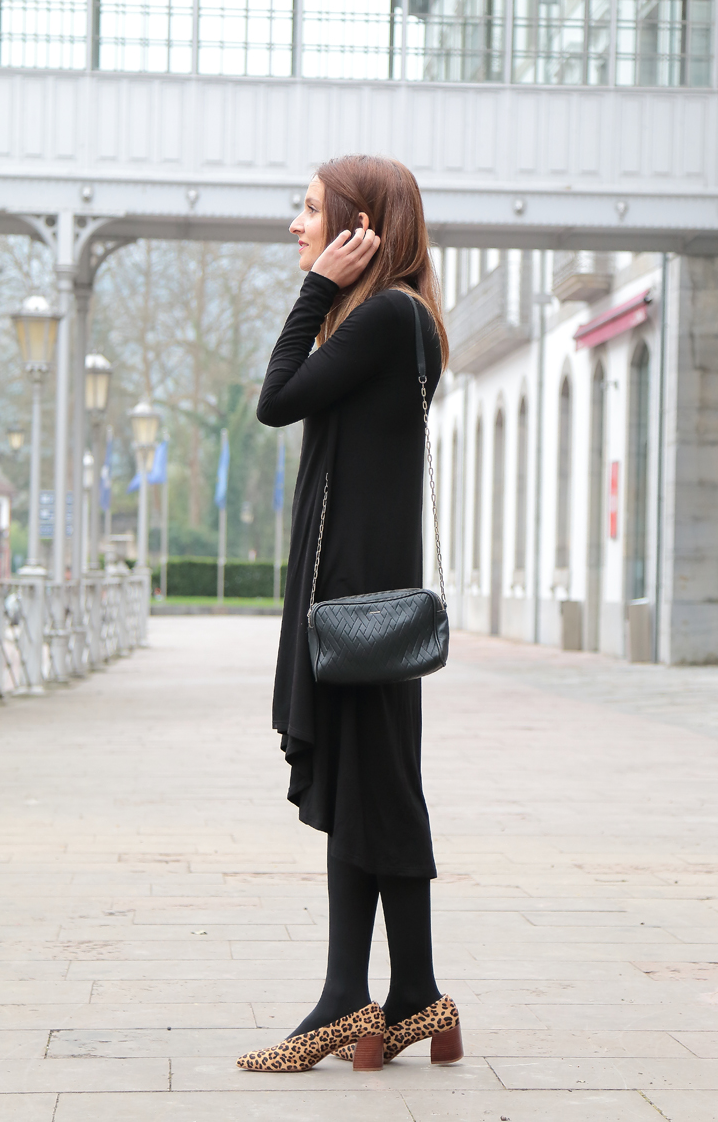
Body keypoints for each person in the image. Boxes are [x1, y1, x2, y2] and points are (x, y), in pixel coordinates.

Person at [236, 155, 462, 1075]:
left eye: (310, 210)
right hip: (364, 593)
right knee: (372, 787)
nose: (297, 226)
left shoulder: (385, 317)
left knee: (378, 789)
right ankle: (408, 996)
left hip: (358, 599)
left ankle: (362, 1000)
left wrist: (315, 291)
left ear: (359, 228)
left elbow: (275, 400)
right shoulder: (396, 320)